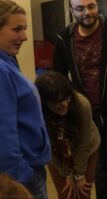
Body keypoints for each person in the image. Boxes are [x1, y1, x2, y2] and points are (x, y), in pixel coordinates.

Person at [52, 0, 107, 198]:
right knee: (99, 171)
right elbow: (58, 76)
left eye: (91, 6)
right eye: (80, 8)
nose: (87, 12)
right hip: (86, 116)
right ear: (72, 10)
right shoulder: (65, 38)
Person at [0, 0, 52, 198]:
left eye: (25, 29)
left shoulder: (9, 61)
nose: (24, 36)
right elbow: (3, 135)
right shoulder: (1, 70)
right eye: (17, 29)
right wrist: (23, 175)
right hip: (20, 175)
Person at [35, 71, 101, 199]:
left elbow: (84, 141)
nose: (64, 104)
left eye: (67, 98)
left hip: (87, 148)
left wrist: (79, 174)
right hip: (56, 152)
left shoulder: (82, 104)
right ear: (45, 102)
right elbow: (48, 147)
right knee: (66, 193)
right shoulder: (38, 113)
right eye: (57, 101)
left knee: (83, 192)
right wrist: (66, 173)